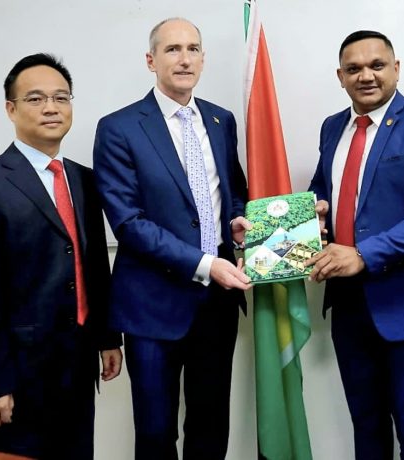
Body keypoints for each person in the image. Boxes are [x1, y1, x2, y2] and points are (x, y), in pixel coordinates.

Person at [0, 53, 123, 459]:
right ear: (11, 109)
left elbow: (93, 263)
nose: (50, 108)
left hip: (77, 368)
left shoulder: (83, 179)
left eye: (61, 98)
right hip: (17, 379)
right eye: (36, 99)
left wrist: (107, 338)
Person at [93, 18, 251, 459]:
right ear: (151, 60)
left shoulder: (222, 120)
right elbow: (128, 222)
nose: (184, 59)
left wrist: (236, 221)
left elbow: (232, 190)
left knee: (210, 424)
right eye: (172, 50)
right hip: (151, 305)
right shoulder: (119, 127)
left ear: (203, 58)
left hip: (216, 304)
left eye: (193, 49)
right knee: (157, 432)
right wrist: (204, 263)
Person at [305, 30, 404, 459]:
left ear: (396, 68)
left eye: (377, 65)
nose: (366, 76)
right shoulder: (332, 127)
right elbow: (325, 189)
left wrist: (362, 254)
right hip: (349, 305)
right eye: (354, 69)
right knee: (366, 428)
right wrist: (310, 218)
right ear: (340, 76)